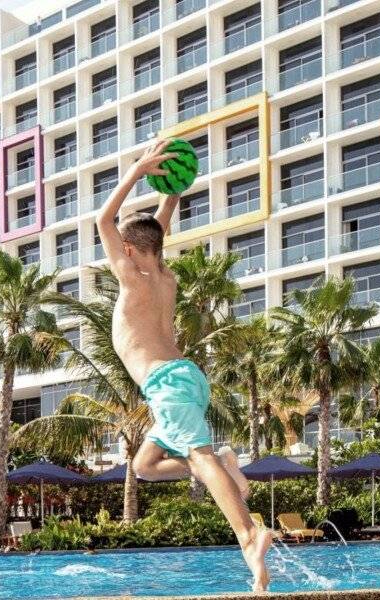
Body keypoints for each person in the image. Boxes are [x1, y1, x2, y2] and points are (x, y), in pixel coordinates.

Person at [95, 139, 271, 592]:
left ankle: (248, 535)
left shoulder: (131, 277)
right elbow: (157, 231)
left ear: (129, 251)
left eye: (121, 248)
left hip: (167, 383)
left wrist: (137, 170)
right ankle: (226, 464)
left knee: (198, 455)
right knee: (145, 465)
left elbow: (102, 219)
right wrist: (173, 189)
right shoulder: (164, 277)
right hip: (183, 379)